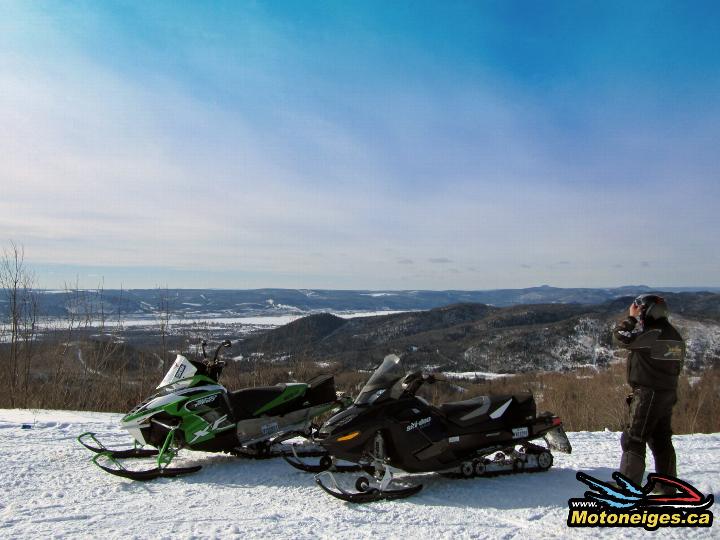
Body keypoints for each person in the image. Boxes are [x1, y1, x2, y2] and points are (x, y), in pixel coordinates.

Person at [613, 294, 685, 489]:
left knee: (633, 438)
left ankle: (627, 488)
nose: (639, 313)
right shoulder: (675, 336)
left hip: (648, 394)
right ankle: (667, 487)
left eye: (641, 309)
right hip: (667, 393)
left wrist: (631, 318)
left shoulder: (653, 334)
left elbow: (621, 337)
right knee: (661, 440)